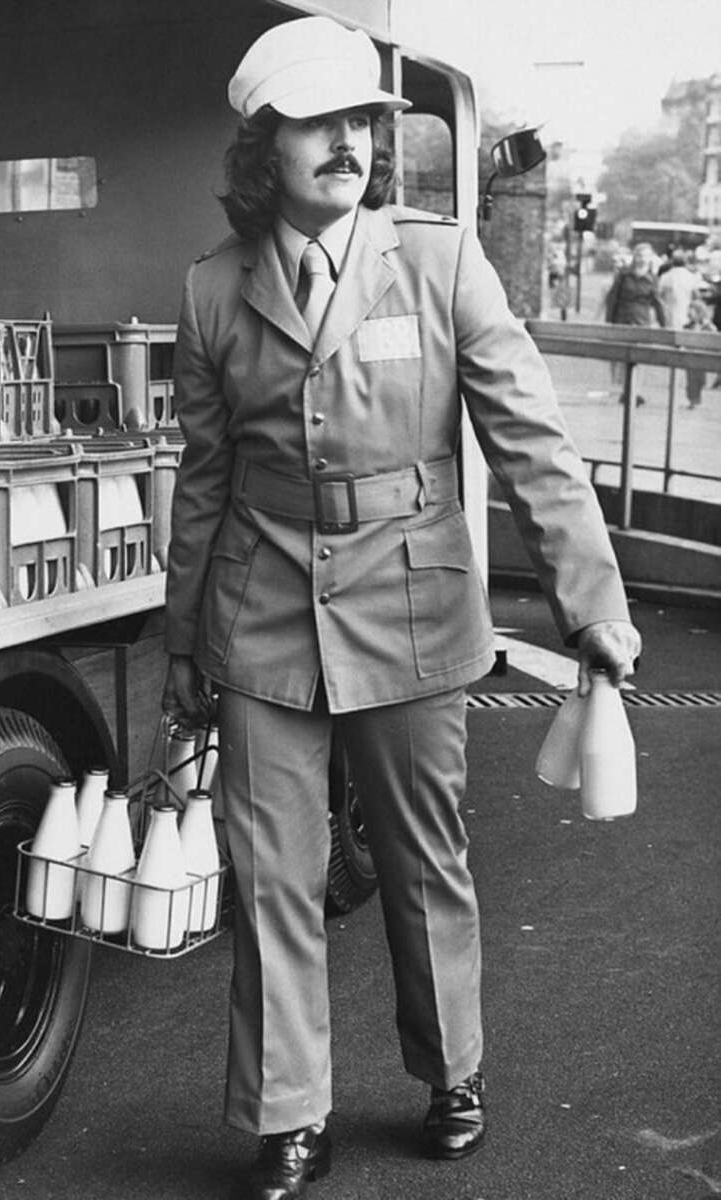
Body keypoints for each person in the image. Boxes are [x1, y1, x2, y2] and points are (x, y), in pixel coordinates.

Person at [161, 17, 642, 1200]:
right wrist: (182, 641)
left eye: (362, 125)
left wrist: (593, 606)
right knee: (272, 868)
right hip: (263, 611)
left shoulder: (439, 262)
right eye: (317, 124)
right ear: (261, 147)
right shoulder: (213, 291)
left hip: (415, 606)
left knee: (425, 859)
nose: (347, 145)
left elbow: (529, 441)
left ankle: (450, 1072)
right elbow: (205, 480)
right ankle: (289, 1116)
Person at [604, 242, 666, 404]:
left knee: (639, 358)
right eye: (639, 255)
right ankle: (627, 389)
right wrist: (609, 321)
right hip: (623, 319)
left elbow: (657, 302)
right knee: (625, 358)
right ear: (634, 257)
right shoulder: (624, 276)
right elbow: (612, 298)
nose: (641, 259)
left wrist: (664, 324)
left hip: (641, 321)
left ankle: (636, 391)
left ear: (650, 258)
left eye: (645, 256)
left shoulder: (652, 279)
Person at [683, 297, 717, 407]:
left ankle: (696, 399)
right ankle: (693, 400)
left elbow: (714, 341)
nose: (689, 314)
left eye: (692, 312)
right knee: (691, 381)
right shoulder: (688, 326)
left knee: (700, 380)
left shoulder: (708, 327)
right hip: (691, 357)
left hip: (703, 357)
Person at [658, 249, 699, 331]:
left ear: (672, 261)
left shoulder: (666, 276)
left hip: (669, 310)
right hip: (685, 310)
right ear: (685, 262)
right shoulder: (691, 276)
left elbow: (659, 294)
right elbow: (696, 295)